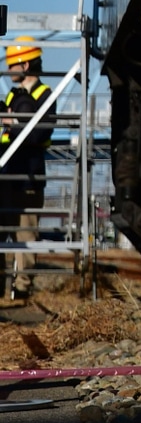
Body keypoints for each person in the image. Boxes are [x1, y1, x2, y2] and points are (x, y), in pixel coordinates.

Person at [0, 38, 53, 301]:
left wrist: (14, 121)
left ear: (26, 64)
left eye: (12, 65)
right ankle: (4, 287)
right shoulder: (14, 96)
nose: (8, 71)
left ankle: (21, 290)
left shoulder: (45, 95)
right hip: (8, 175)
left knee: (26, 235)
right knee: (5, 234)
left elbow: (39, 133)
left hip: (29, 178)